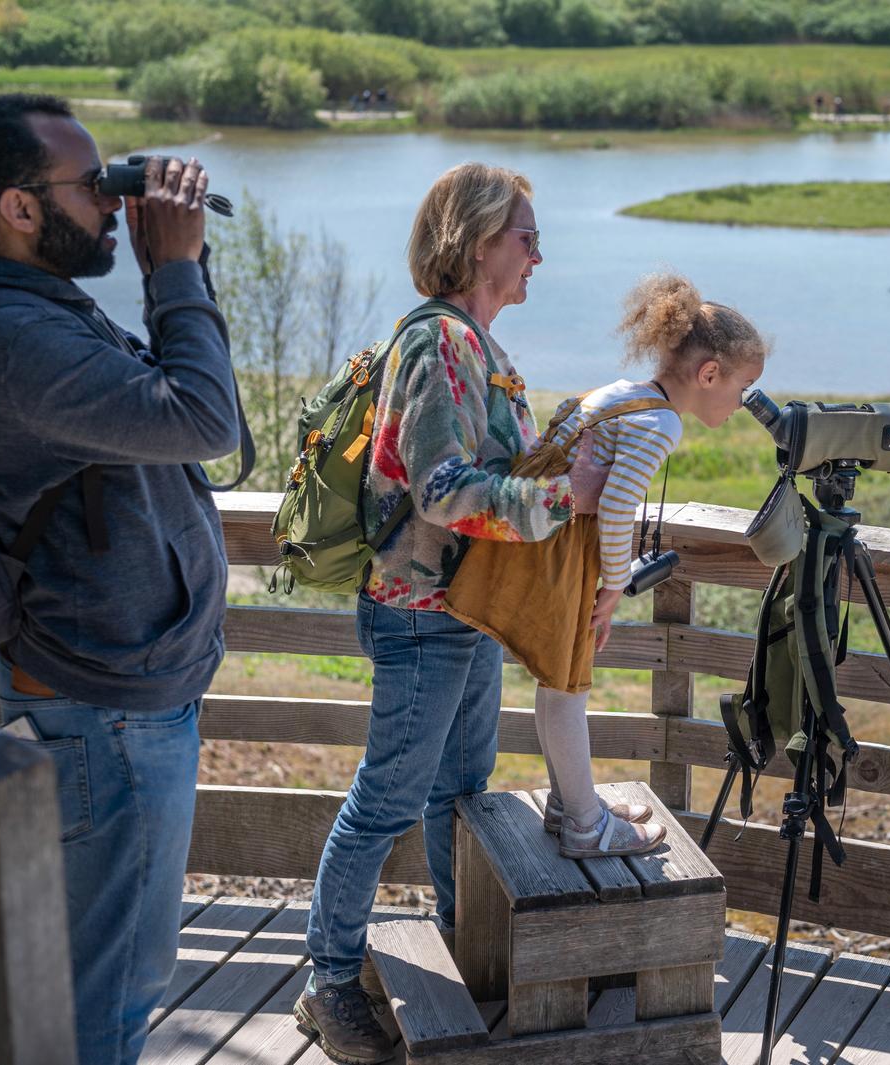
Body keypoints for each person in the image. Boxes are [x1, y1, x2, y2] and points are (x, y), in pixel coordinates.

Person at [0, 94, 240, 1065]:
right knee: (112, 996)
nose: (112, 199)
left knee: (114, 975)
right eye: (91, 186)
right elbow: (205, 421)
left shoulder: (38, 306)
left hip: (115, 698)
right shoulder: (13, 340)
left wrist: (185, 272)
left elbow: (199, 423)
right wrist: (173, 268)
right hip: (106, 711)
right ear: (18, 207)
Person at [296, 162, 606, 1065]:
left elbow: (482, 476)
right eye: (526, 238)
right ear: (477, 243)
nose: (539, 257)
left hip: (461, 613)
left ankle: (457, 948)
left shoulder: (473, 344)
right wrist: (567, 497)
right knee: (387, 799)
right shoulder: (440, 344)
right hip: (422, 613)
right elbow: (441, 491)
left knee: (458, 795)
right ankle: (328, 981)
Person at [450, 274, 767, 859]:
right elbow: (619, 503)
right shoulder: (661, 422)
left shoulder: (625, 393)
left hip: (546, 540)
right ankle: (586, 827)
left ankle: (573, 802)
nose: (745, 401)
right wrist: (615, 584)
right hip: (564, 552)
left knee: (557, 682)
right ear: (709, 374)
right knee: (569, 687)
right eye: (745, 385)